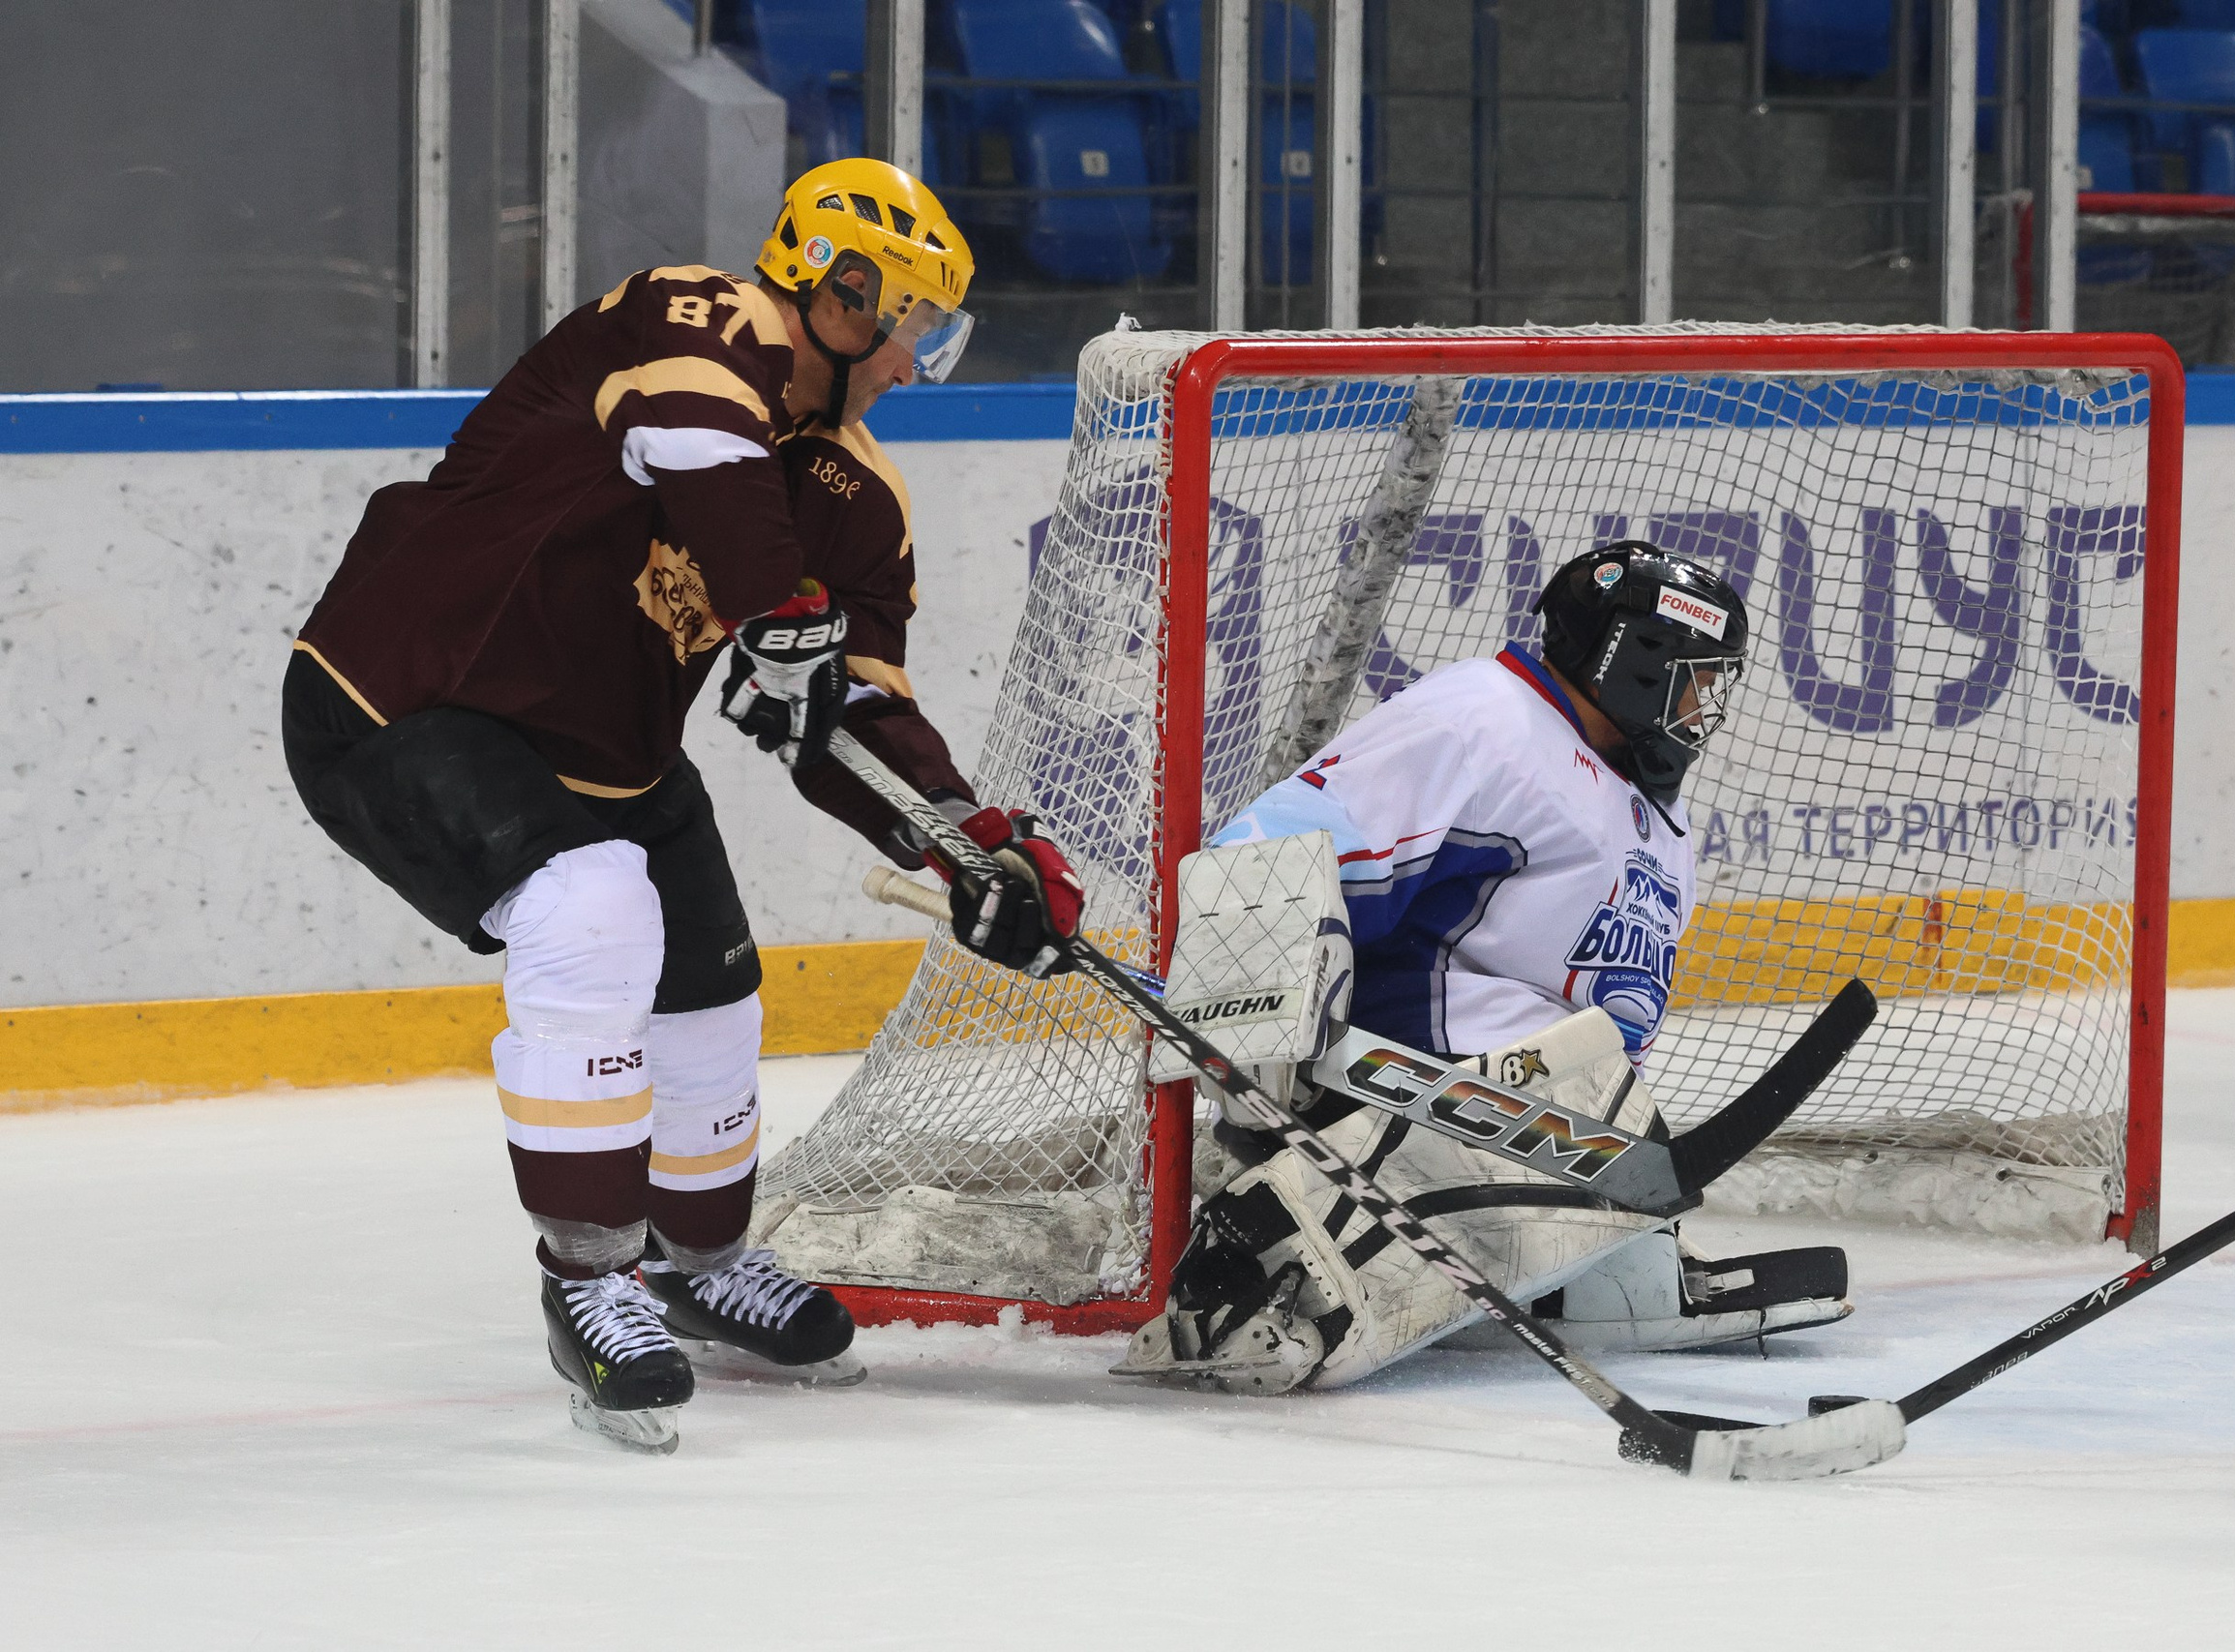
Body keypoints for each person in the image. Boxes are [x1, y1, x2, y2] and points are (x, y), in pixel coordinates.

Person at [284, 159, 1080, 1453]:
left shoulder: (858, 499)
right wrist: (776, 611)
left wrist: (964, 841)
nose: (912, 364)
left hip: (613, 752)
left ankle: (695, 1266)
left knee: (712, 993)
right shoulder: (696, 320)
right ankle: (587, 1275)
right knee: (593, 918)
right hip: (406, 692)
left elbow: (849, 712)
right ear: (843, 294)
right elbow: (698, 446)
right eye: (913, 325)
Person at [1119, 544, 1853, 1395]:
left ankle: (1591, 1256)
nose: (1702, 705)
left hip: (1542, 1119)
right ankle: (1277, 1264)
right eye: (1694, 677)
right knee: (1595, 1098)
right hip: (1408, 1105)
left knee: (1612, 1103)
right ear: (1635, 661)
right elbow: (1272, 844)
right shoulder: (1486, 719)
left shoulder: (1655, 812)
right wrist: (1269, 1063)